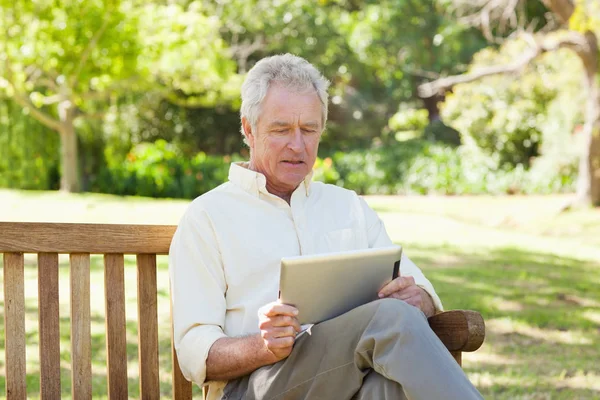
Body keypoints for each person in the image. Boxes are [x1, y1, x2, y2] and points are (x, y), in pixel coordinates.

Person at [169, 54, 483, 400]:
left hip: (346, 381)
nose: (297, 145)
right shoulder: (208, 217)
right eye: (281, 129)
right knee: (390, 319)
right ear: (249, 128)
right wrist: (263, 346)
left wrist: (418, 298)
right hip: (254, 388)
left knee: (386, 387)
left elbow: (416, 286)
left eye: (309, 130)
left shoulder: (347, 206)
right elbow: (195, 353)